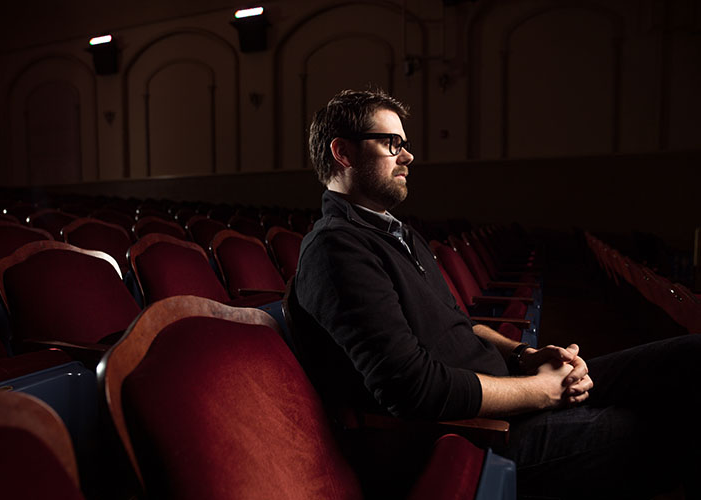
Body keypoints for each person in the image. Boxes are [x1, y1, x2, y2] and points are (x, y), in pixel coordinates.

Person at [290, 88, 701, 499]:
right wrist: (542, 392)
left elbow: (462, 325)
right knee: (673, 426)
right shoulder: (335, 249)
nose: (408, 156)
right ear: (343, 153)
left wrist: (526, 356)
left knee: (691, 354)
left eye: (405, 143)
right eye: (391, 143)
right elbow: (412, 389)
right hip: (475, 436)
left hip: (508, 389)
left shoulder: (399, 234)